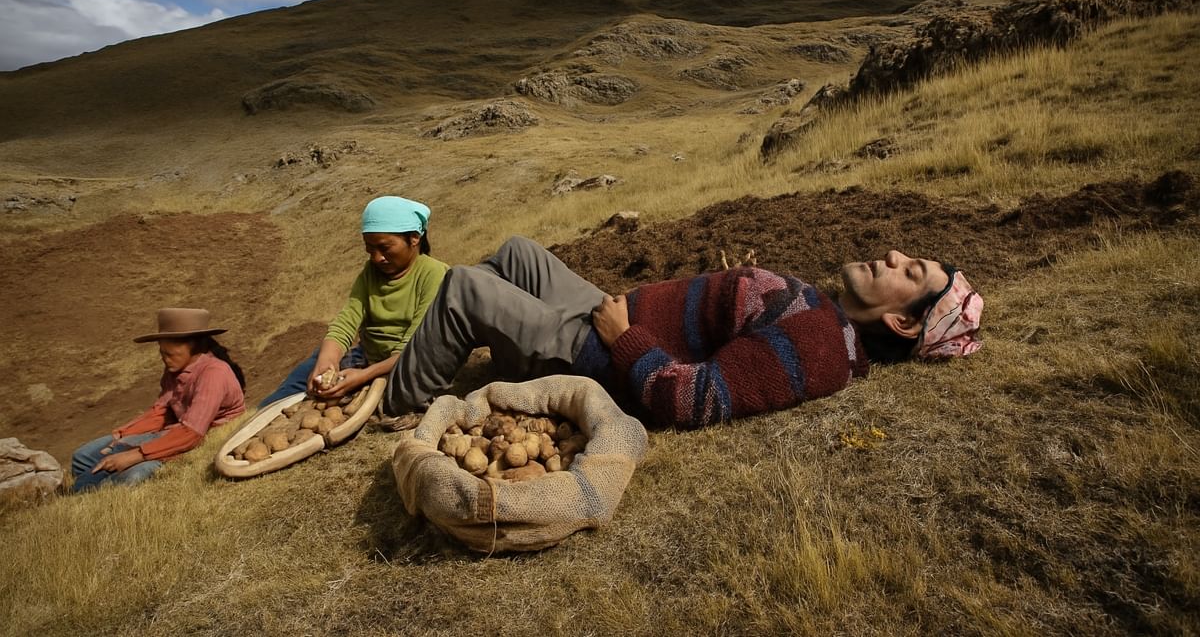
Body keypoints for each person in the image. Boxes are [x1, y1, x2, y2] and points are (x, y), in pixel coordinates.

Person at [352, 236, 982, 429]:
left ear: (902, 322)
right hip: (611, 315)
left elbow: (698, 399)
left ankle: (399, 402)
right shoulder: (823, 313)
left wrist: (623, 338)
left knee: (465, 285)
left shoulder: (820, 347)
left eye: (910, 272)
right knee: (518, 253)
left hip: (599, 354)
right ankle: (493, 344)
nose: (893, 257)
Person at [258, 196, 449, 408]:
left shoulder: (434, 274)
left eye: (384, 248)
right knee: (301, 377)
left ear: (414, 238)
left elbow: (414, 345)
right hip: (367, 355)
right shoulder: (371, 271)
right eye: (370, 249)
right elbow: (347, 320)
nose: (377, 258)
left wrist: (365, 375)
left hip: (408, 363)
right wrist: (328, 360)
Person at [70, 308, 246, 492]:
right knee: (83, 457)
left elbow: (191, 434)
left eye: (171, 354)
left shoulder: (214, 373)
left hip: (199, 440)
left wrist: (134, 455)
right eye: (163, 353)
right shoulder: (175, 369)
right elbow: (161, 411)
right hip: (173, 431)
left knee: (133, 476)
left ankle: (99, 492)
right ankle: (92, 487)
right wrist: (122, 434)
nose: (165, 359)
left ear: (194, 347)